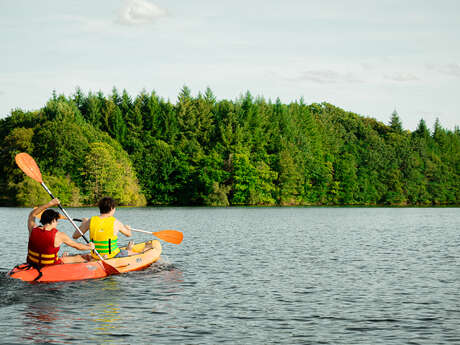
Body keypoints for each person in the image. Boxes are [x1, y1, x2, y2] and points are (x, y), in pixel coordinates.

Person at [27, 198, 95, 267]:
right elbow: (78, 246)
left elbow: (32, 214)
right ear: (53, 220)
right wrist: (90, 247)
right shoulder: (59, 235)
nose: (57, 223)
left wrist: (50, 204)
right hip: (50, 265)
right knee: (79, 258)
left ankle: (64, 258)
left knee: (65, 257)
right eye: (57, 221)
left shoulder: (33, 229)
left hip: (32, 262)